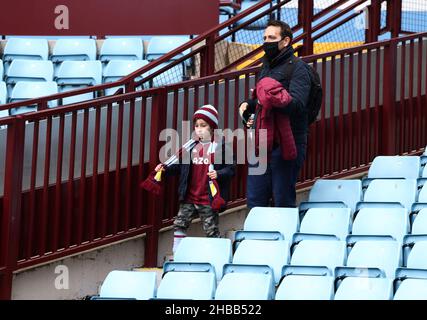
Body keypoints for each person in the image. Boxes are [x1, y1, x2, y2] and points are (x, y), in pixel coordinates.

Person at [239, 19, 312, 208]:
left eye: (271, 37)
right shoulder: (266, 67)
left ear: (285, 41)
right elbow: (261, 100)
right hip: (262, 142)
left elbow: (297, 105)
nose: (266, 41)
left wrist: (275, 98)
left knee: (282, 199)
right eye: (264, 37)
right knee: (255, 200)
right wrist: (248, 105)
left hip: (288, 142)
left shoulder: (299, 68)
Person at [154, 105, 235, 254]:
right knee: (179, 224)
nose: (199, 129)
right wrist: (165, 169)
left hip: (208, 198)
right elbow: (180, 168)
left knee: (210, 230)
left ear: (212, 127)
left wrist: (218, 173)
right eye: (197, 125)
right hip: (189, 197)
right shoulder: (190, 146)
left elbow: (231, 169)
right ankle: (177, 254)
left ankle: (217, 255)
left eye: (203, 125)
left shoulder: (221, 147)